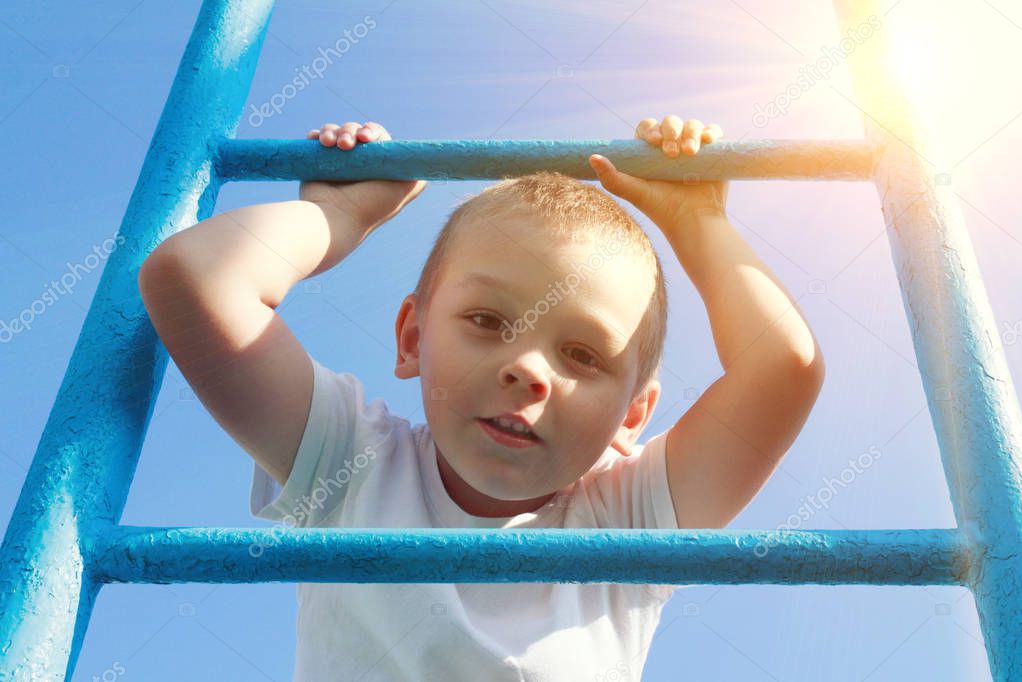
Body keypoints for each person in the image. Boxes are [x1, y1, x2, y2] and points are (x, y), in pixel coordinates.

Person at [138, 115, 825, 681]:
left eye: (583, 356)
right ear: (412, 339)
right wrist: (338, 213)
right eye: (488, 322)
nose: (527, 368)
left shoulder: (627, 520)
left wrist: (698, 223)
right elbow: (195, 276)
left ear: (633, 416)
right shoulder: (352, 463)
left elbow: (782, 369)